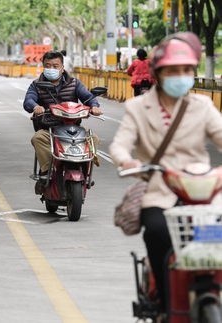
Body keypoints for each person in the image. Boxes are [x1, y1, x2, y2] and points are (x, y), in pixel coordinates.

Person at [109, 32, 222, 314]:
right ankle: (167, 301)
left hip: (205, 190)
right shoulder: (138, 107)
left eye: (186, 70)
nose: (181, 76)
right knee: (157, 233)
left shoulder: (203, 106)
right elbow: (120, 145)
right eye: (174, 70)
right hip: (160, 191)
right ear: (158, 73)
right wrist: (127, 161)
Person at [23, 50, 102, 180]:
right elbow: (28, 101)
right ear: (43, 66)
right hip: (49, 130)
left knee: (94, 138)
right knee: (37, 138)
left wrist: (95, 106)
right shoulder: (36, 85)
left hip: (73, 128)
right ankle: (48, 171)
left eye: (55, 66)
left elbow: (88, 97)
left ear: (62, 68)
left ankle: (84, 168)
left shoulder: (74, 83)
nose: (51, 69)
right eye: (48, 66)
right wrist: (35, 107)